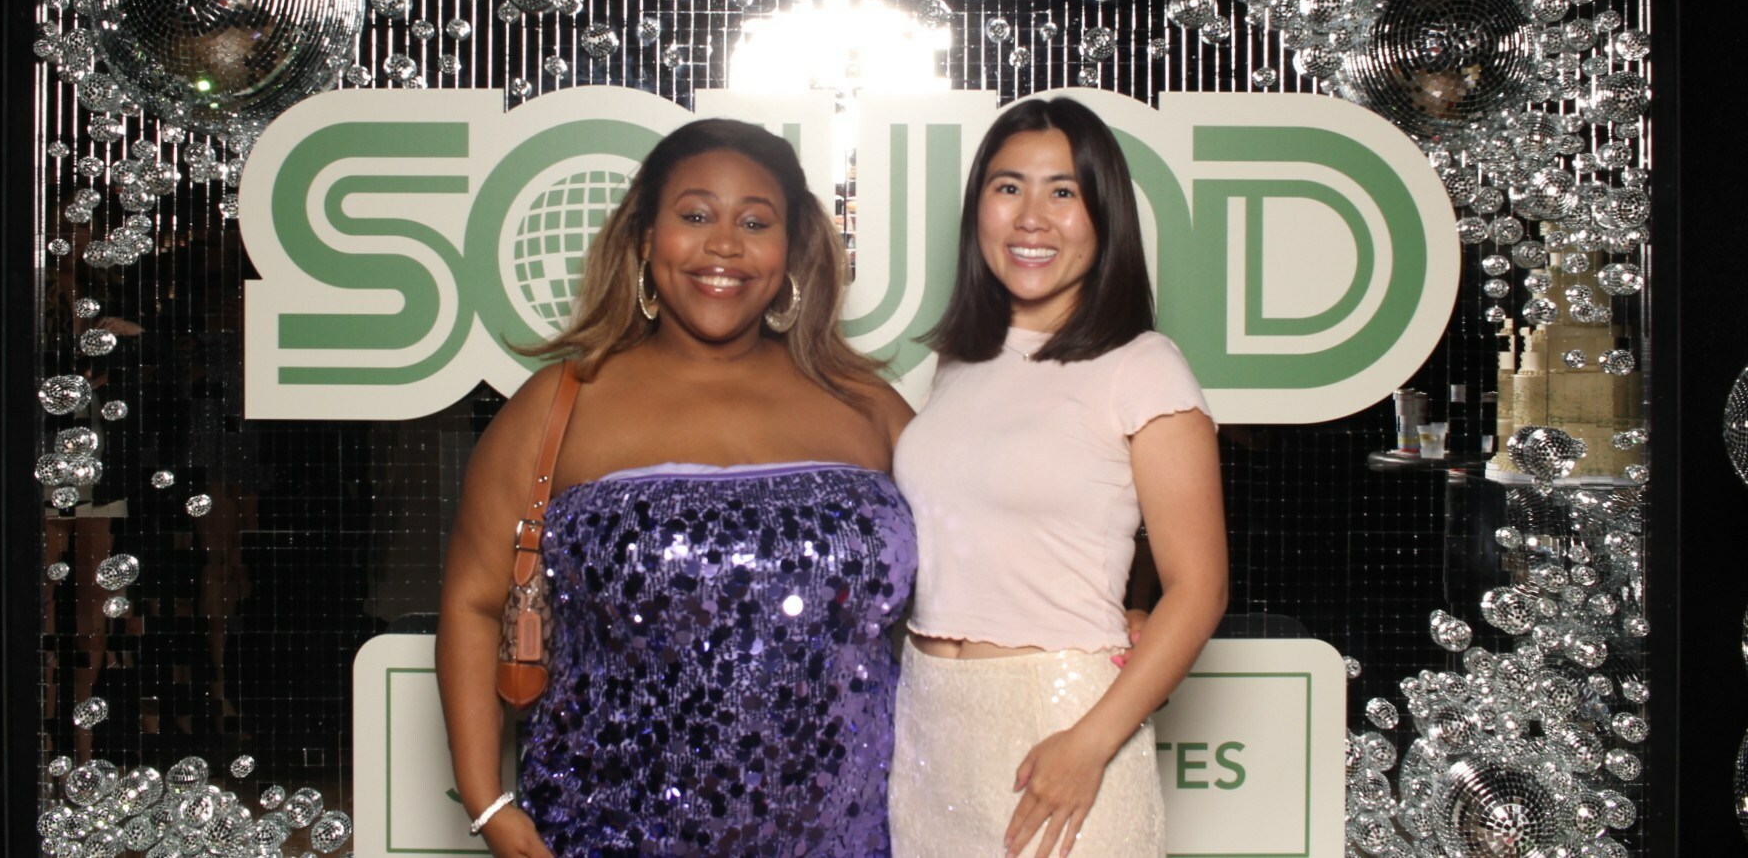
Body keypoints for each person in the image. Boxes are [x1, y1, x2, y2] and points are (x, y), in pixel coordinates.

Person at [437, 119, 916, 858]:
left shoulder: (868, 408)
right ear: (644, 239)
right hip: (602, 833)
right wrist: (489, 803)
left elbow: (974, 593)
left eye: (754, 222)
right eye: (695, 216)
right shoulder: (560, 406)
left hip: (847, 835)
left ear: (792, 250)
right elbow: (474, 604)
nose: (724, 245)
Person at [889, 96, 1228, 858]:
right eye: (1008, 187)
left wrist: (1090, 742)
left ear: (1104, 217)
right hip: (930, 730)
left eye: (1063, 191)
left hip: (1063, 724)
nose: (1031, 218)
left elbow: (1200, 587)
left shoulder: (1143, 366)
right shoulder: (953, 365)